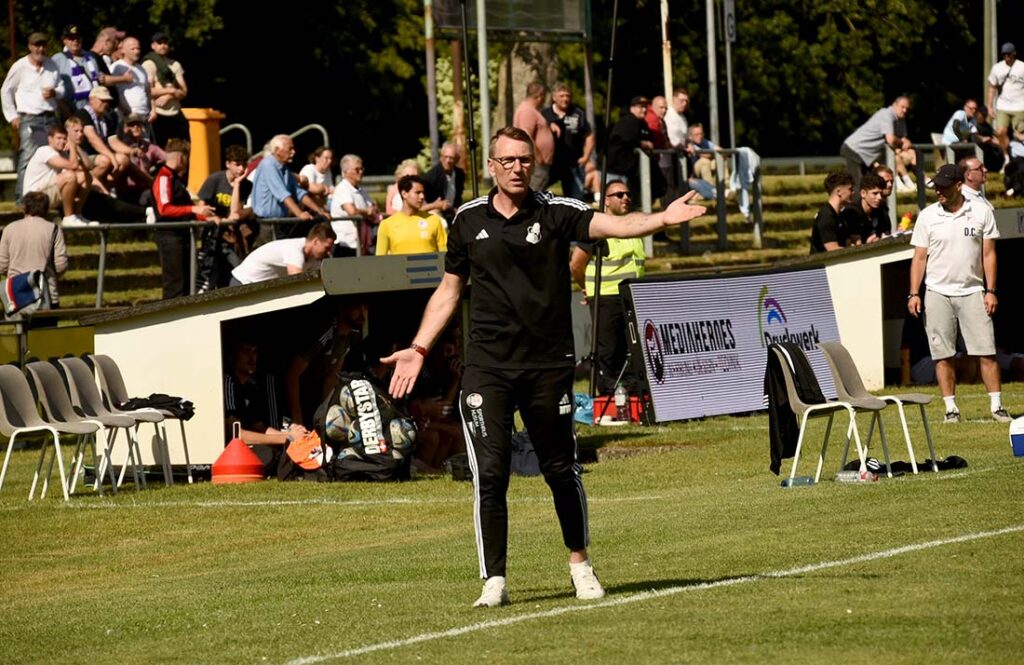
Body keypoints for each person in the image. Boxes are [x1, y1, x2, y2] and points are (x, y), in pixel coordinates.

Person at [382, 126, 707, 608]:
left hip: (547, 367)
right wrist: (420, 347)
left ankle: (580, 565)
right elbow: (449, 290)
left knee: (559, 468)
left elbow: (614, 226)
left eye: (524, 160)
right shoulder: (467, 221)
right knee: (489, 474)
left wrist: (661, 217)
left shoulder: (558, 212)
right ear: (490, 167)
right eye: (507, 160)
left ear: (533, 164)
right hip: (487, 366)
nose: (517, 167)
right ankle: (494, 579)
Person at [908, 164, 1010, 424]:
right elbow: (919, 258)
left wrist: (991, 290)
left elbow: (989, 254)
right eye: (936, 187)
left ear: (958, 185)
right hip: (937, 292)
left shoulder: (982, 212)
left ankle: (997, 406)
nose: (938, 191)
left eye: (943, 186)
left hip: (973, 290)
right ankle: (950, 409)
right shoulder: (927, 216)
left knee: (986, 351)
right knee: (943, 355)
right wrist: (914, 293)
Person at [569, 180, 645, 395]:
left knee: (631, 350)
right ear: (606, 200)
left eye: (628, 194)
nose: (626, 198)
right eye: (619, 195)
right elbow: (576, 265)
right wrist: (587, 288)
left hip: (631, 297)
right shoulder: (597, 228)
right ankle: (609, 397)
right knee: (609, 352)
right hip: (606, 297)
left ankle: (631, 394)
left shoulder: (632, 225)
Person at [224, 336, 309, 477]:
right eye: (246, 351)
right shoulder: (228, 383)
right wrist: (288, 438)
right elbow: (236, 434)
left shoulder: (251, 386)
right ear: (232, 356)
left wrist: (297, 436)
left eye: (255, 352)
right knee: (269, 453)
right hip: (231, 451)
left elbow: (260, 427)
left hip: (251, 445)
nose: (252, 358)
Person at [1, 32, 64, 203]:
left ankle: (47, 198)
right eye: (37, 45)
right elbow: (6, 90)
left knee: (52, 157)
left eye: (43, 45)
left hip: (50, 117)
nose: (40, 49)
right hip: (30, 117)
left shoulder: (51, 65)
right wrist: (12, 116)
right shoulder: (20, 66)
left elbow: (62, 88)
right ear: (29, 46)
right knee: (27, 157)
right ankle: (22, 199)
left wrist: (55, 92)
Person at [286, 298, 367, 426]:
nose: (362, 314)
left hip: (311, 391)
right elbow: (292, 375)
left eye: (365, 308)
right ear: (342, 309)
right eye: (356, 308)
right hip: (289, 392)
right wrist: (297, 417)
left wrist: (327, 414)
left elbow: (331, 378)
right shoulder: (326, 332)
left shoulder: (352, 336)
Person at [151, 138, 214, 299]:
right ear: (181, 158)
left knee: (186, 281)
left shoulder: (174, 179)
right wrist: (194, 208)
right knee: (175, 284)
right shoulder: (164, 177)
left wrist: (204, 216)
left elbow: (184, 208)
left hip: (182, 236)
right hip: (170, 237)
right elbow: (164, 209)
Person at [197, 144, 258, 291]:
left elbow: (235, 213)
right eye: (237, 165)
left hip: (232, 235)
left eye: (244, 165)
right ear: (228, 164)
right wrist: (212, 218)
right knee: (209, 272)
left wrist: (237, 185)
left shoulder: (246, 185)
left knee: (236, 269)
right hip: (213, 234)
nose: (242, 169)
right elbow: (200, 207)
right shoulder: (215, 179)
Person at [0, 191, 69, 308]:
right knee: (47, 326)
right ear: (46, 209)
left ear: (24, 207)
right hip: (46, 293)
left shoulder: (9, 229)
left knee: (20, 326)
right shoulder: (54, 229)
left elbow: (2, 266)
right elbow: (61, 265)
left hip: (16, 294)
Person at [250, 134, 326, 235]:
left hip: (278, 223)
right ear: (277, 150)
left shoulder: (283, 168)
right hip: (266, 224)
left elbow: (299, 192)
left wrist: (319, 210)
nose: (293, 152)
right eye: (290, 149)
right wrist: (299, 213)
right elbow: (282, 194)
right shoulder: (269, 165)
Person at [840, 96, 913, 194]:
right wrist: (902, 143)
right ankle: (853, 208)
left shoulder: (900, 120)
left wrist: (906, 142)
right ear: (894, 105)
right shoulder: (887, 114)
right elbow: (890, 139)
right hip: (855, 150)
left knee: (870, 186)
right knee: (859, 186)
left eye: (907, 108)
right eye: (902, 107)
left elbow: (902, 138)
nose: (905, 110)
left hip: (866, 156)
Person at [22, 123, 90, 226]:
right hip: (34, 198)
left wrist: (76, 147)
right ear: (50, 139)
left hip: (47, 191)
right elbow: (73, 165)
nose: (62, 141)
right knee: (70, 176)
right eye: (58, 138)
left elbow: (89, 166)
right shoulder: (44, 151)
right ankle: (69, 218)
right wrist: (72, 146)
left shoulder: (62, 153)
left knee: (86, 177)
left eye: (64, 139)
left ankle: (77, 214)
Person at [230, 222, 335, 285]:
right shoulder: (294, 248)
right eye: (327, 247)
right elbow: (297, 280)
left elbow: (320, 280)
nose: (328, 251)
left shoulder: (313, 257)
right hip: (242, 282)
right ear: (316, 241)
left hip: (256, 288)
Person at [541, 83, 593, 201]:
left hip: (573, 164)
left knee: (576, 198)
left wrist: (586, 157)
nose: (565, 99)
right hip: (550, 164)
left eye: (567, 96)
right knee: (535, 191)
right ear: (554, 97)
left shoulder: (578, 113)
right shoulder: (545, 114)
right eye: (561, 96)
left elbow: (589, 136)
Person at [376, 175, 448, 255]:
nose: (422, 196)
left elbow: (445, 255)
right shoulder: (386, 225)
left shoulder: (434, 220)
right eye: (417, 192)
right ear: (404, 194)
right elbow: (380, 261)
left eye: (423, 192)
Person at [74, 86, 130, 188]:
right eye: (102, 100)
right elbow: (93, 139)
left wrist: (132, 151)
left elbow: (113, 141)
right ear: (91, 100)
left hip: (99, 155)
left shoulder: (106, 118)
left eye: (107, 101)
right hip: (83, 155)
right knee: (105, 161)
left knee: (123, 159)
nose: (106, 104)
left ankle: (105, 189)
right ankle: (83, 187)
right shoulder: (82, 114)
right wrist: (111, 156)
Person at [141, 32, 188, 147]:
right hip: (158, 113)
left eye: (165, 43)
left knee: (183, 147)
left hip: (175, 112)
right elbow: (148, 90)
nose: (163, 46)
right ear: (153, 46)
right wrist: (171, 90)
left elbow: (184, 91)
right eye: (159, 43)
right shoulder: (149, 64)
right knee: (160, 150)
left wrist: (169, 96)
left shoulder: (175, 64)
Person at [330, 154, 378, 255]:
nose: (361, 172)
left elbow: (374, 207)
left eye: (362, 169)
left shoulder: (361, 191)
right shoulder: (343, 189)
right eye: (357, 169)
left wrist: (370, 210)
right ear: (346, 171)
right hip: (346, 245)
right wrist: (367, 211)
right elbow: (351, 211)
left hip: (362, 244)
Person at [51, 24, 102, 114]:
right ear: (65, 41)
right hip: (68, 108)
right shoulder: (57, 59)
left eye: (77, 38)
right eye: (71, 38)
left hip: (91, 108)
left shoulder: (91, 58)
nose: (75, 41)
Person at [512, 82, 555, 191]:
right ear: (539, 95)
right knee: (533, 192)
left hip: (540, 163)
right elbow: (525, 135)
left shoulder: (532, 111)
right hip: (537, 164)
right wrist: (538, 156)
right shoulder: (527, 111)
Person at [986, 43, 1024, 161]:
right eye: (1004, 54)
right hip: (1003, 105)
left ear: (1014, 53)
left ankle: (1020, 157)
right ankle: (1008, 157)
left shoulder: (1022, 66)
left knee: (1020, 135)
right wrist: (989, 106)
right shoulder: (997, 68)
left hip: (1020, 105)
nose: (1006, 56)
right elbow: (992, 88)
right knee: (1000, 132)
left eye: (1009, 53)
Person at [606, 96, 653, 188]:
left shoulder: (642, 123)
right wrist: (644, 144)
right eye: (640, 107)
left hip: (628, 170)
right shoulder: (628, 121)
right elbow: (626, 140)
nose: (644, 110)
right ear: (632, 108)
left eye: (645, 107)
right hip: (616, 169)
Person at [110, 37, 153, 127]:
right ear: (123, 50)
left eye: (138, 49)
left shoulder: (142, 69)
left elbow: (147, 91)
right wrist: (127, 111)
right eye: (133, 49)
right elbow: (113, 92)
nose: (136, 51)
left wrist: (152, 110)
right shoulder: (116, 67)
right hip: (126, 117)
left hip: (144, 116)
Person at [810, 171, 855, 253]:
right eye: (850, 189)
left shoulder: (840, 216)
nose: (853, 192)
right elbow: (833, 250)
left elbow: (847, 244)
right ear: (839, 192)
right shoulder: (826, 216)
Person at [422, 142, 465, 224]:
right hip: (434, 211)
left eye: (451, 158)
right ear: (441, 158)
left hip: (452, 211)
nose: (448, 160)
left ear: (456, 159)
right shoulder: (432, 176)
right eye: (446, 157)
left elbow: (459, 196)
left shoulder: (459, 174)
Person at [840, 173, 889, 243]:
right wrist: (867, 244)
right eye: (875, 193)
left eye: (881, 194)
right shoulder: (852, 213)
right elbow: (856, 245)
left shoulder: (881, 209)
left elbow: (886, 233)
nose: (879, 197)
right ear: (863, 193)